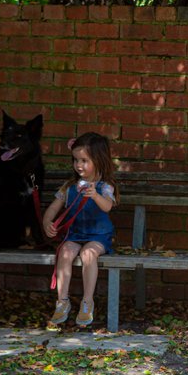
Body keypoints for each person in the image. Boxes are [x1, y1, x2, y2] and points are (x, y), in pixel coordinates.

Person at [42, 132, 117, 328]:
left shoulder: (104, 187)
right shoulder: (70, 186)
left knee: (89, 254)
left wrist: (95, 196)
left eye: (84, 160)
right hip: (75, 234)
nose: (79, 165)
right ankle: (62, 301)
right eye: (76, 160)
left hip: (98, 235)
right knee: (65, 252)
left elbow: (108, 206)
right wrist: (47, 222)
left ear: (98, 160)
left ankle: (87, 302)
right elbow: (53, 207)